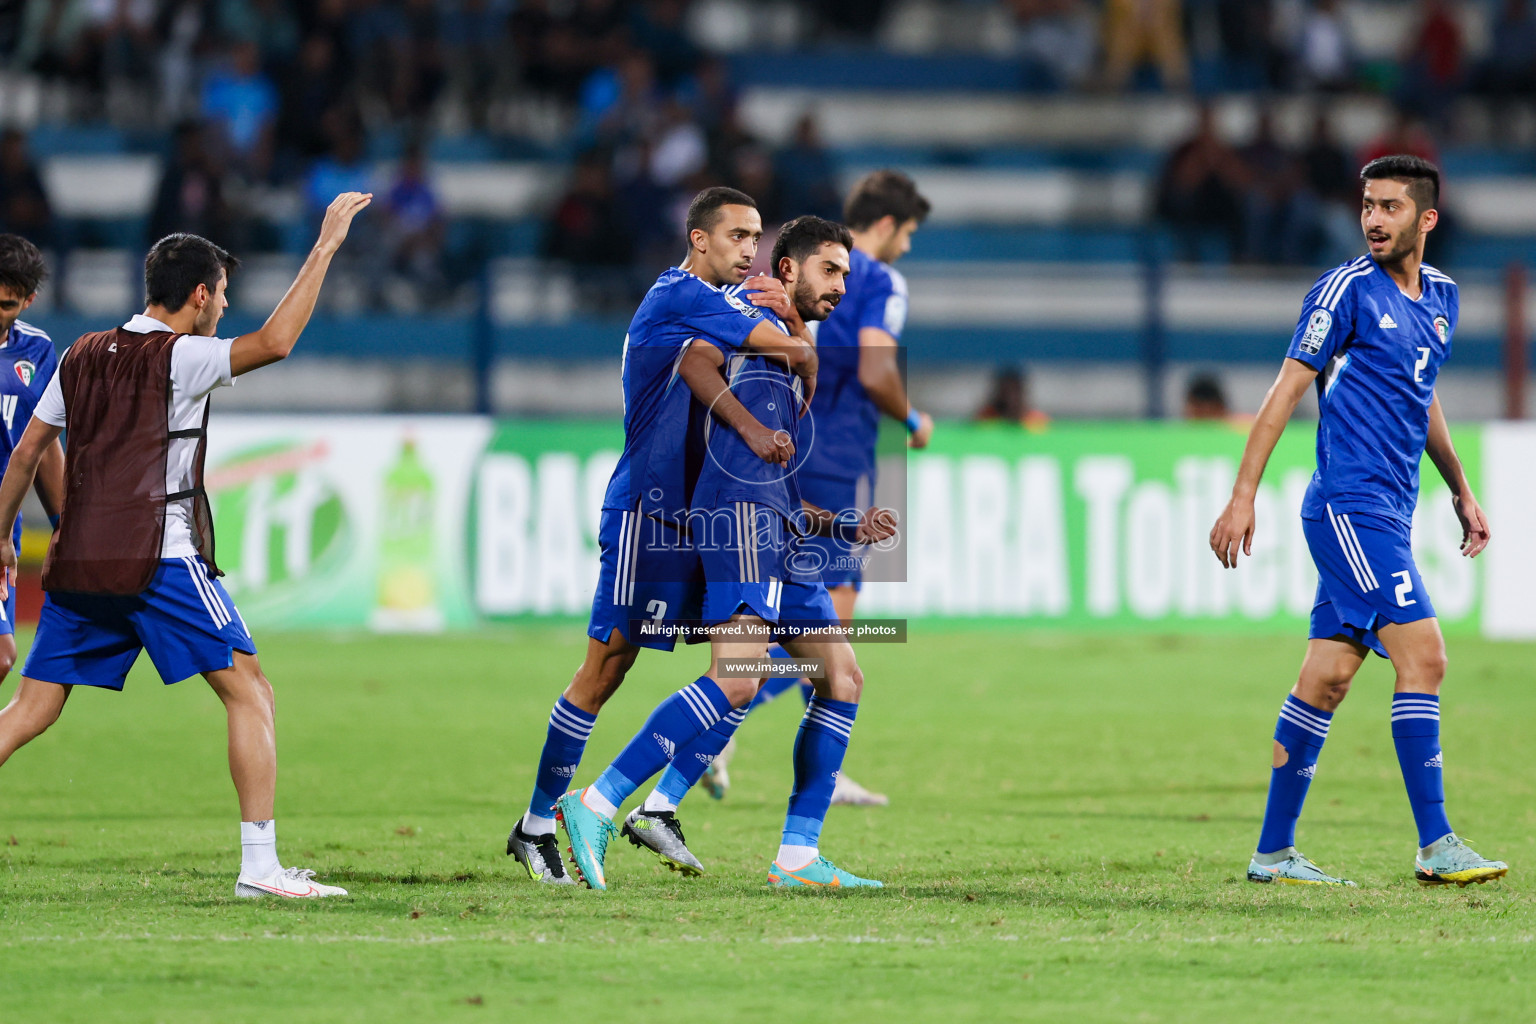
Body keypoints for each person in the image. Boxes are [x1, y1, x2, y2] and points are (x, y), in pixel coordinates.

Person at [0, 192, 373, 900]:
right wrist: (323, 248)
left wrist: (2, 541)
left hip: (78, 560)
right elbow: (277, 342)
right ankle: (260, 869)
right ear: (199, 294)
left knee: (30, 711)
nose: (224, 307)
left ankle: (263, 868)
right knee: (251, 691)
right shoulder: (183, 357)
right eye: (223, 293)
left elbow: (25, 456)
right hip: (157, 558)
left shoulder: (77, 354)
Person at [556, 214, 896, 889]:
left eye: (847, 276)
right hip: (740, 519)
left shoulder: (791, 336)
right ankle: (595, 801)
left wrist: (840, 525)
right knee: (739, 676)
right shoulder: (745, 305)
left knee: (842, 677)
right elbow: (693, 362)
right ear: (788, 268)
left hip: (779, 524)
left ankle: (797, 856)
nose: (840, 287)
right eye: (829, 271)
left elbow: (780, 464)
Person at [1209, 156, 1508, 888]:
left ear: (1426, 219)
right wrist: (1243, 494)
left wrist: (1461, 488)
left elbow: (1421, 394)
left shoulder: (1442, 297)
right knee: (1426, 656)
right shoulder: (1343, 290)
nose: (1373, 219)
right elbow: (1285, 391)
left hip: (1392, 511)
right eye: (1367, 205)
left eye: (1390, 208)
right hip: (1348, 506)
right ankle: (1436, 843)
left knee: (1328, 677)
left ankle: (1272, 854)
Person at [505, 186, 809, 885]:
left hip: (701, 515)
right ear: (699, 239)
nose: (748, 249)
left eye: (755, 237)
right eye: (735, 236)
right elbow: (776, 342)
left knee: (747, 664)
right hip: (646, 511)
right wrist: (794, 327)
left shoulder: (726, 304)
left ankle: (658, 804)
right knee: (605, 669)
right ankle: (537, 823)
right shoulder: (676, 295)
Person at [643, 170, 935, 812]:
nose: (906, 247)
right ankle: (712, 733)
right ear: (885, 226)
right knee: (823, 637)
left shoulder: (791, 280)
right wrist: (915, 420)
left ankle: (723, 743)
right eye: (907, 233)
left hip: (786, 460)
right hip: (829, 465)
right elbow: (879, 366)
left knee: (815, 640)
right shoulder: (878, 279)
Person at [0, 235, 66, 682]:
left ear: (28, 299)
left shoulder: (37, 351)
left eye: (5, 304)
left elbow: (40, 447)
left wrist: (68, 526)